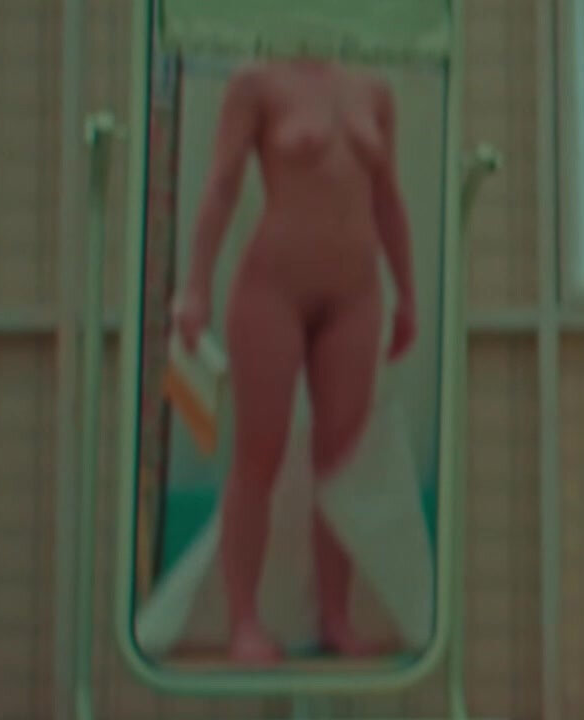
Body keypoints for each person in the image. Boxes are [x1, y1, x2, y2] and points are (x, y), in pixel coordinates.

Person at [171, 58, 417, 664]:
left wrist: (409, 293)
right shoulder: (256, 82)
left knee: (340, 460)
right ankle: (243, 621)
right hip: (272, 289)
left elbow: (388, 196)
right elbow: (222, 183)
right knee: (260, 452)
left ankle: (335, 616)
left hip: (356, 293)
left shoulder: (374, 87)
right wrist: (195, 286)